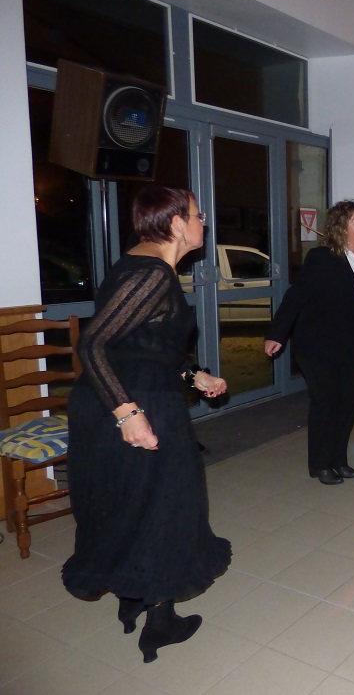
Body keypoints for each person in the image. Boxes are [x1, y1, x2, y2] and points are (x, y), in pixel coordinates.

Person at [63, 186, 231, 663]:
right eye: (197, 215)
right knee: (165, 509)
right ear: (177, 224)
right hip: (131, 407)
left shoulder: (141, 265)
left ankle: (137, 600)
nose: (203, 223)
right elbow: (92, 345)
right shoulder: (153, 274)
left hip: (128, 397)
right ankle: (159, 620)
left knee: (133, 507)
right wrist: (128, 414)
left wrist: (193, 376)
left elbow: (140, 348)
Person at [265, 200, 354, 484]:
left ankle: (338, 459)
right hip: (318, 345)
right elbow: (296, 297)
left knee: (351, 400)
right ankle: (320, 464)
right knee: (327, 402)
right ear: (341, 227)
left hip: (350, 345)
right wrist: (277, 333)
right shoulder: (322, 258)